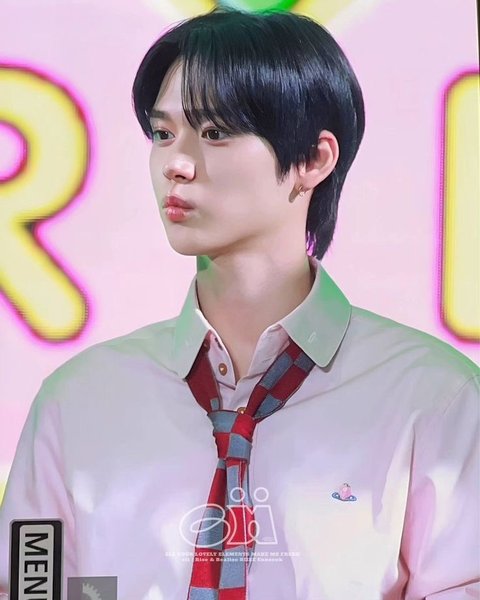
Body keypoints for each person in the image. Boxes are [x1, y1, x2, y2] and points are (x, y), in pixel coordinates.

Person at [1, 7, 478, 600]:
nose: (176, 164)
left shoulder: (433, 399)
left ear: (313, 160)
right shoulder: (79, 403)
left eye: (215, 132)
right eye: (163, 134)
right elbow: (33, 588)